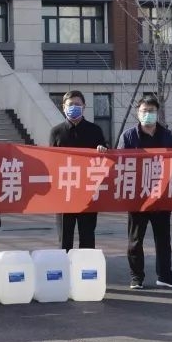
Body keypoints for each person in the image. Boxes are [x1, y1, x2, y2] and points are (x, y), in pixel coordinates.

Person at [118, 96, 172, 289]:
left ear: (157, 113)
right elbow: (120, 163)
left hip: (161, 196)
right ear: (138, 113)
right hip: (138, 197)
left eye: (151, 111)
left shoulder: (166, 135)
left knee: (163, 239)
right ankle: (136, 277)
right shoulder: (128, 136)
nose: (148, 114)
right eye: (144, 111)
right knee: (135, 240)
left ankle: (165, 275)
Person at [49, 90, 107, 250]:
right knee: (64, 240)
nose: (74, 107)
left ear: (84, 107)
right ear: (63, 107)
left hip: (87, 193)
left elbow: (105, 158)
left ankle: (85, 266)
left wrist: (102, 150)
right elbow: (51, 161)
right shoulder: (56, 132)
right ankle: (65, 265)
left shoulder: (95, 130)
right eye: (70, 104)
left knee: (87, 238)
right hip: (65, 193)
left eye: (77, 104)